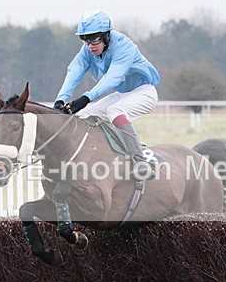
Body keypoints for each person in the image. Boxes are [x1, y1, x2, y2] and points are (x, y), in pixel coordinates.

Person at [54, 10, 162, 179]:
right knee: (82, 116)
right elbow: (75, 71)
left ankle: (141, 162)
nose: (90, 46)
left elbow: (112, 78)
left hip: (144, 92)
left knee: (114, 111)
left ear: (107, 35)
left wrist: (86, 98)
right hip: (122, 94)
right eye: (86, 40)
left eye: (95, 39)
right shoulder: (87, 50)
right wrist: (60, 99)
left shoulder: (124, 46)